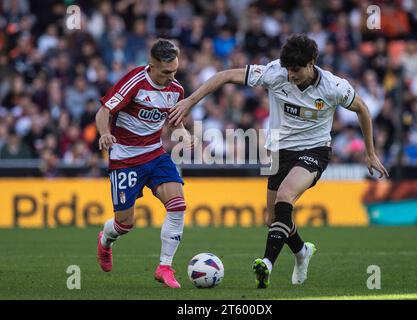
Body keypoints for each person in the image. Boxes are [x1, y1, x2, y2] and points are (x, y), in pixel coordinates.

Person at [169, 34, 389, 288]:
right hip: (279, 153)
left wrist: (370, 152)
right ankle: (302, 252)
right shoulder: (275, 72)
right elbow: (225, 76)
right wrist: (190, 101)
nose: (291, 76)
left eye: (296, 70)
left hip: (314, 150)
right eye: (288, 70)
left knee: (286, 196)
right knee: (273, 219)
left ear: (312, 62)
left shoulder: (334, 87)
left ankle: (267, 263)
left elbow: (362, 109)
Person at [96, 39, 192, 289]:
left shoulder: (176, 90)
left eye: (175, 70)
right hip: (125, 158)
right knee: (125, 223)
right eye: (166, 72)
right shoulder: (135, 82)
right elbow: (104, 111)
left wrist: (183, 134)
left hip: (155, 154)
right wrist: (104, 133)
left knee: (178, 205)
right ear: (151, 65)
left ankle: (165, 267)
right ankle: (106, 240)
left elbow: (175, 120)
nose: (171, 77)